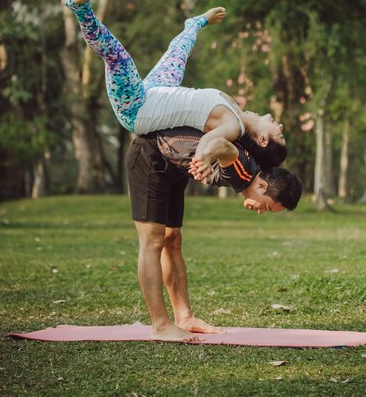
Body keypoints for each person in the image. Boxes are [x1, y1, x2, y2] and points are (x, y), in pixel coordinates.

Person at [65, 0, 286, 179]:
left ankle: (82, 9)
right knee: (178, 52)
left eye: (280, 133)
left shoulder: (233, 127)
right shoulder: (235, 111)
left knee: (117, 56)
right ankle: (196, 23)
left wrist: (203, 160)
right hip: (156, 90)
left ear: (263, 140)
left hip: (137, 108)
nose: (281, 125)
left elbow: (209, 142)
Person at [126, 125, 302, 341]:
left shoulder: (251, 169)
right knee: (153, 241)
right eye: (266, 206)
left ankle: (185, 318)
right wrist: (205, 158)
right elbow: (222, 145)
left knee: (172, 239)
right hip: (150, 156)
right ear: (263, 185)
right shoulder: (244, 172)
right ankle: (160, 325)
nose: (260, 211)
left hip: (172, 167)